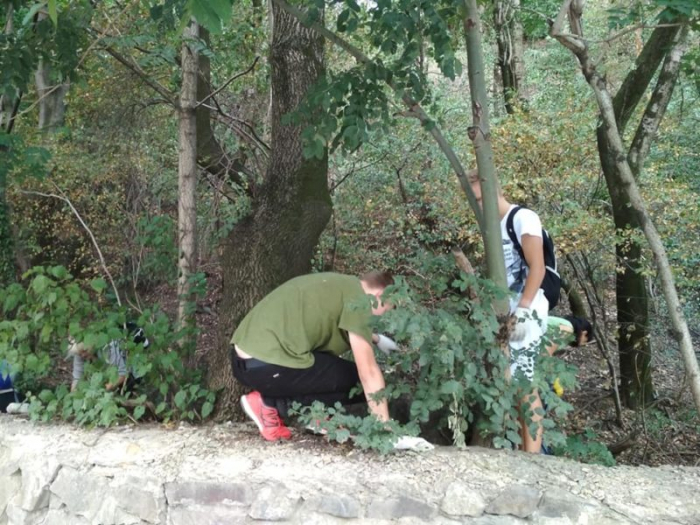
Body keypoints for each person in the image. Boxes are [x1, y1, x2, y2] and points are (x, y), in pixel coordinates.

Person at [231, 271, 395, 442]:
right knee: (358, 383)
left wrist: (376, 339)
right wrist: (384, 427)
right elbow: (368, 372)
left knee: (332, 367)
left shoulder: (341, 285)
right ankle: (270, 404)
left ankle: (320, 416)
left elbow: (328, 321)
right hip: (268, 365)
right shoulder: (360, 302)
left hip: (244, 361)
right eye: (386, 309)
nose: (382, 316)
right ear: (380, 295)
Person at [468, 168, 548, 453]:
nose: (477, 204)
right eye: (473, 199)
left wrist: (524, 310)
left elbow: (537, 267)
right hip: (506, 308)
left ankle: (534, 454)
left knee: (525, 381)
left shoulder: (523, 218)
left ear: (495, 192)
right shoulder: (492, 226)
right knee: (508, 377)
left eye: (480, 198)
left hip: (529, 305)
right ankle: (519, 448)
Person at [68, 323, 148, 392]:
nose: (83, 355)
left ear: (91, 345)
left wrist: (101, 392)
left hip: (128, 365)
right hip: (109, 370)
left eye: (85, 351)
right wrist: (73, 393)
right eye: (80, 353)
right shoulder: (79, 352)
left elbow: (122, 374)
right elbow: (77, 377)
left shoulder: (108, 347)